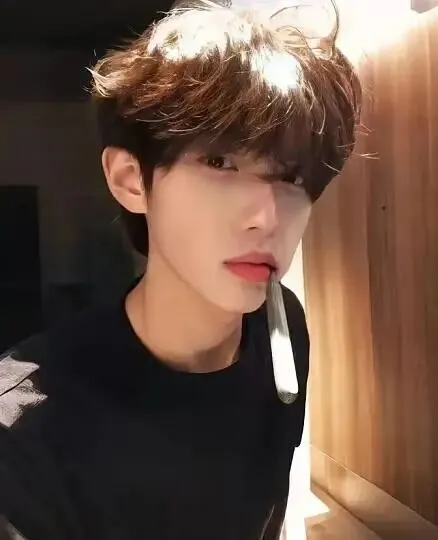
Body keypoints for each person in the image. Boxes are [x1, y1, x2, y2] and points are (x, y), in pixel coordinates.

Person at [0, 2, 361, 539]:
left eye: (291, 178)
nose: (267, 218)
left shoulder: (282, 326)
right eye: (220, 162)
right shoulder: (24, 433)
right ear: (130, 180)